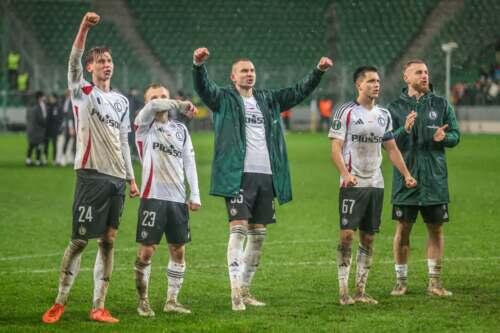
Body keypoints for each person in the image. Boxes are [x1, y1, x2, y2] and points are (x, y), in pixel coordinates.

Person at [192, 47, 333, 311]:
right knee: (238, 228)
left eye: (252, 70)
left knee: (258, 235)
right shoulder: (224, 98)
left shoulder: (268, 99)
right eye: (244, 70)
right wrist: (198, 67)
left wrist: (318, 72)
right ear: (233, 77)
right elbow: (204, 88)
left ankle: (245, 290)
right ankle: (235, 292)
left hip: (266, 175)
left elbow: (298, 91)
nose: (249, 74)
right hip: (238, 175)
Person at [42, 12, 139, 324]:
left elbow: (125, 140)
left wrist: (131, 178)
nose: (106, 65)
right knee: (80, 240)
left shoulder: (122, 102)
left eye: (109, 61)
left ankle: (99, 306)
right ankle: (60, 301)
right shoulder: (82, 91)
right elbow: (73, 58)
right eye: (100, 62)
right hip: (90, 175)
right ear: (90, 67)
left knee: (108, 241)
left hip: (116, 180)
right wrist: (83, 26)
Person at [329, 66, 417, 305]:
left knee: (368, 238)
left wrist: (407, 174)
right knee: (347, 236)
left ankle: (360, 290)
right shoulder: (345, 111)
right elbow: (335, 148)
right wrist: (345, 174)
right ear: (359, 85)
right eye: (370, 81)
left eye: (378, 81)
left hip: (375, 183)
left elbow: (391, 148)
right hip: (352, 183)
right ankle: (344, 290)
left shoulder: (383, 114)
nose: (376, 84)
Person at [388, 59, 460, 297]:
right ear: (406, 77)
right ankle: (400, 282)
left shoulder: (441, 104)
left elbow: (456, 135)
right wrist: (404, 130)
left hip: (434, 179)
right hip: (405, 179)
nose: (424, 76)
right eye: (418, 72)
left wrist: (445, 137)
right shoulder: (394, 107)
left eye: (426, 72)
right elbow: (387, 143)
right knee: (404, 229)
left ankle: (435, 283)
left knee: (436, 229)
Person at [133, 84, 200, 316]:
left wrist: (195, 194)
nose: (159, 101)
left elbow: (189, 162)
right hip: (152, 197)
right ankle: (143, 301)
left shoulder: (181, 129)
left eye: (164, 96)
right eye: (154, 97)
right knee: (147, 252)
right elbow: (153, 107)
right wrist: (180, 103)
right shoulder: (143, 125)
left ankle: (172, 300)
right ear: (146, 101)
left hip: (178, 199)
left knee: (178, 250)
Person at [26, 91, 47, 166]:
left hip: (35, 130)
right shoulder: (36, 106)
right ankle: (33, 161)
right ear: (40, 97)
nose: (45, 98)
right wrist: (45, 122)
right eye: (43, 96)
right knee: (35, 145)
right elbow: (40, 118)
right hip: (36, 130)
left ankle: (32, 160)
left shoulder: (36, 105)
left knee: (35, 145)